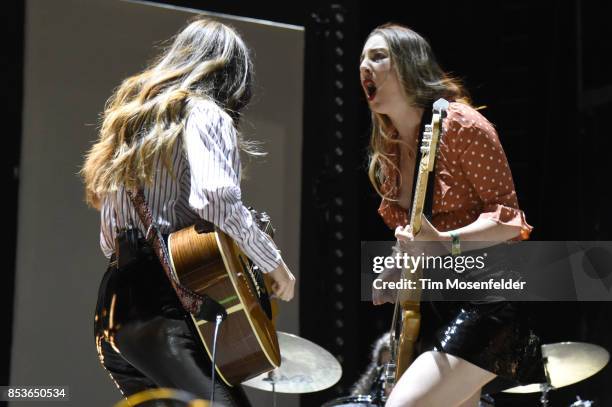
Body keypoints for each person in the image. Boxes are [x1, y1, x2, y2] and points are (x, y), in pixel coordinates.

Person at [81, 18, 295, 407]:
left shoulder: (130, 122)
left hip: (113, 314)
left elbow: (108, 235)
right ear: (233, 79)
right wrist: (271, 262)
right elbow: (214, 197)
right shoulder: (206, 113)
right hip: (164, 308)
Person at [359, 23, 543, 407]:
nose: (364, 65)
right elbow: (415, 238)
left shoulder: (460, 125)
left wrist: (445, 243)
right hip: (438, 304)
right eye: (362, 58)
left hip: (490, 303)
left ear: (409, 66)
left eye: (377, 56)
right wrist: (396, 267)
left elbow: (510, 221)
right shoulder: (390, 149)